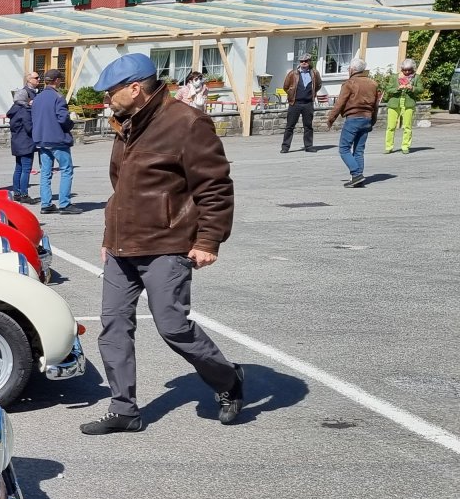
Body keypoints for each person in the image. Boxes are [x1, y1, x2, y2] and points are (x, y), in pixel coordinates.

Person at [83, 53, 243, 436]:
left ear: (135, 88)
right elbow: (121, 188)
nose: (106, 98)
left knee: (173, 327)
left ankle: (228, 380)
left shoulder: (187, 123)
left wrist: (208, 240)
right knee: (113, 327)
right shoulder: (126, 124)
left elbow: (215, 187)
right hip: (122, 247)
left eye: (111, 91)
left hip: (167, 244)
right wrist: (109, 236)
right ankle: (124, 410)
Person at [326, 57, 380, 188]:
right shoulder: (373, 84)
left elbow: (340, 103)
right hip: (367, 118)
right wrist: (373, 119)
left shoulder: (349, 83)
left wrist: (331, 119)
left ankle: (356, 174)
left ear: (352, 69)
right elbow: (376, 104)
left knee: (344, 148)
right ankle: (358, 177)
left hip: (354, 118)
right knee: (359, 150)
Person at [30, 68, 77, 214]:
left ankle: (46, 204)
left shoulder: (37, 98)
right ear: (57, 80)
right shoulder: (58, 97)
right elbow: (63, 119)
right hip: (57, 139)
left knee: (45, 172)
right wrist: (70, 124)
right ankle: (64, 204)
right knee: (66, 170)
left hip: (41, 139)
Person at [281, 53, 319, 153]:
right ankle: (285, 147)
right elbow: (285, 86)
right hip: (295, 103)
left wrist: (312, 93)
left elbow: (318, 85)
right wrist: (291, 93)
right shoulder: (293, 74)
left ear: (309, 62)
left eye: (306, 61)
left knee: (308, 126)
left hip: (308, 103)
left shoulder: (314, 73)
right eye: (302, 61)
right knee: (290, 126)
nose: (303, 63)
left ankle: (309, 146)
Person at [7, 87, 37, 204]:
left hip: (16, 142)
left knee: (18, 169)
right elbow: (29, 128)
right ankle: (24, 194)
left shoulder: (13, 110)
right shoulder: (24, 110)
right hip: (26, 143)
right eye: (28, 97)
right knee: (26, 169)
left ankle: (17, 193)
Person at [385, 58, 420, 154]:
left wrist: (413, 88)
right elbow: (388, 89)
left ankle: (405, 146)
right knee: (390, 126)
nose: (407, 72)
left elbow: (421, 89)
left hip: (408, 103)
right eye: (405, 70)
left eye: (409, 70)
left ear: (413, 69)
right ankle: (388, 147)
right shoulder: (394, 77)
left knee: (407, 127)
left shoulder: (416, 77)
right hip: (394, 103)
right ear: (401, 69)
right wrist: (397, 88)